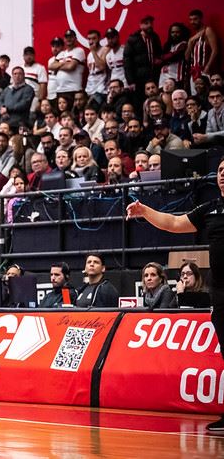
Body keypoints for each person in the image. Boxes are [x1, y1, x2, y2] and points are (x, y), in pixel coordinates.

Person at [127, 158, 224, 432]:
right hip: (221, 293)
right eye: (219, 171)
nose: (222, 175)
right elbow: (172, 222)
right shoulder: (211, 209)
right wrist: (145, 210)